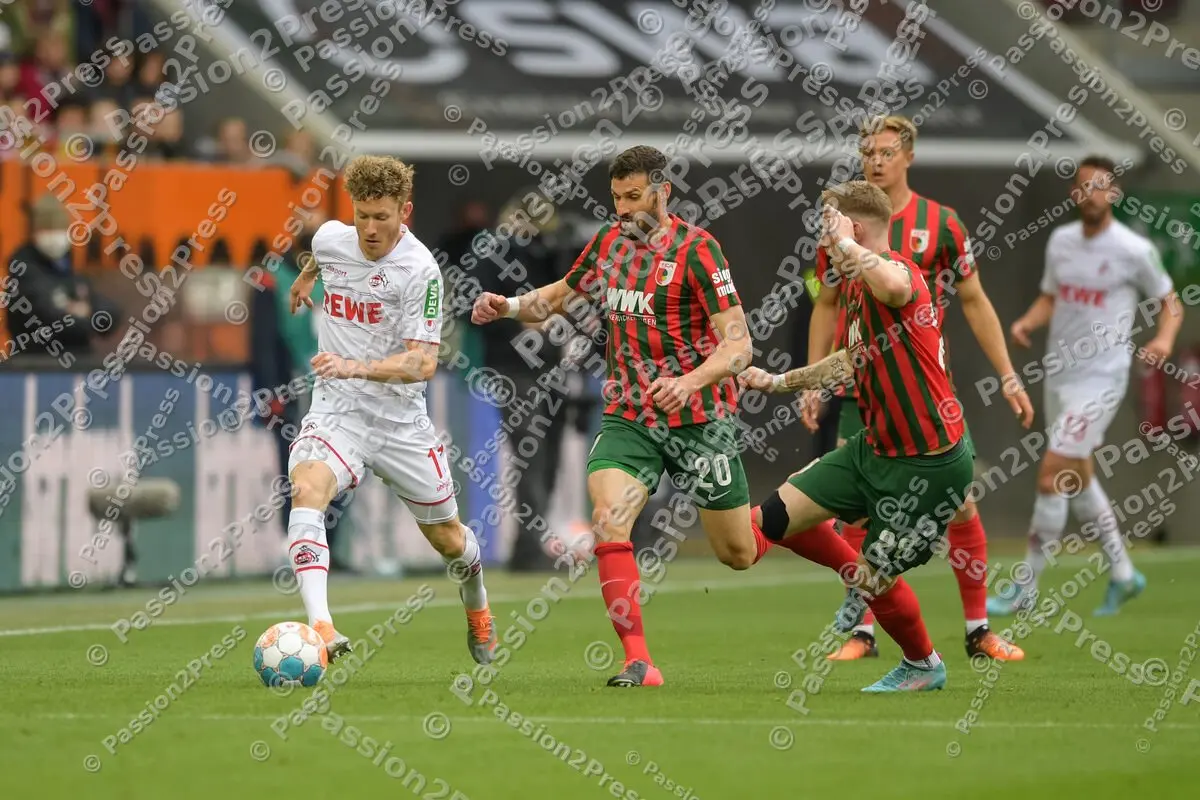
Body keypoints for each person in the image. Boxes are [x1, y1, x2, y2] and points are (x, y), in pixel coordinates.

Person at [472, 145, 865, 688]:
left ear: (663, 192)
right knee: (610, 518)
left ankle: (817, 541)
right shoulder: (608, 244)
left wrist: (689, 381)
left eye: (634, 197)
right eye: (616, 198)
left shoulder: (700, 251)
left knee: (738, 552)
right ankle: (639, 661)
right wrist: (511, 306)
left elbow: (739, 347)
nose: (623, 209)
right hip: (630, 417)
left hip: (700, 420)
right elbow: (561, 296)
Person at [804, 115, 1033, 663]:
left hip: (927, 394)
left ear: (909, 156)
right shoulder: (841, 226)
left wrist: (1007, 373)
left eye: (886, 152)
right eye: (868, 153)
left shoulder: (943, 224)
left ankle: (978, 630)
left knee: (960, 503)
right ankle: (863, 633)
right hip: (862, 392)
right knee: (856, 512)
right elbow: (826, 303)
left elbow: (974, 299)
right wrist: (813, 379)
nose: (876, 162)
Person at [740, 181, 977, 692]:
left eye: (828, 227)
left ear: (854, 229)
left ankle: (922, 663)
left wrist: (846, 243)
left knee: (876, 578)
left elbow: (895, 287)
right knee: (773, 520)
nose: (822, 241)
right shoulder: (854, 286)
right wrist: (781, 382)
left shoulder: (897, 271)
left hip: (929, 466)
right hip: (874, 450)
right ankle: (860, 575)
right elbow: (849, 361)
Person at [286, 155, 495, 664]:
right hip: (336, 412)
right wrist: (305, 278)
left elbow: (422, 363)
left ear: (405, 212)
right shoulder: (330, 238)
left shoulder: (420, 271)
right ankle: (321, 627)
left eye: (382, 217)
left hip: (399, 423)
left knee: (449, 540)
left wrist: (353, 366)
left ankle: (478, 604)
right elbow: (321, 255)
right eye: (362, 216)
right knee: (307, 490)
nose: (370, 229)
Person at [988, 155, 1182, 617]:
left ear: (1113, 193)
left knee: (1052, 472)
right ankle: (1124, 574)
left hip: (1102, 377)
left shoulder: (1133, 249)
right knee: (1077, 475)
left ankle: (1026, 587)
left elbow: (1170, 302)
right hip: (1061, 375)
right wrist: (1027, 323)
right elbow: (1051, 296)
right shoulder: (1061, 242)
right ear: (1073, 193)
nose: (1090, 194)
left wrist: (1163, 340)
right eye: (1083, 186)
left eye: (1099, 186)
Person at [474, 190, 573, 571]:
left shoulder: (548, 252)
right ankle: (529, 547)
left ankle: (532, 543)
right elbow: (474, 309)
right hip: (513, 368)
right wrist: (519, 321)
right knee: (531, 453)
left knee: (549, 455)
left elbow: (568, 294)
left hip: (550, 366)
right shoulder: (491, 254)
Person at [248, 210, 351, 568]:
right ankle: (298, 547)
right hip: (293, 387)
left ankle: (331, 548)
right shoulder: (273, 278)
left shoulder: (339, 276)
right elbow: (262, 341)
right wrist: (269, 391)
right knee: (294, 471)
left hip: (336, 388)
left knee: (337, 469)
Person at [3, 193, 120, 363]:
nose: (54, 235)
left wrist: (81, 311)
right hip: (35, 366)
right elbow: (49, 317)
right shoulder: (23, 272)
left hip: (78, 365)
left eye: (58, 228)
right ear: (34, 233)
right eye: (47, 229)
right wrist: (88, 316)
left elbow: (110, 313)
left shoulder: (69, 270)